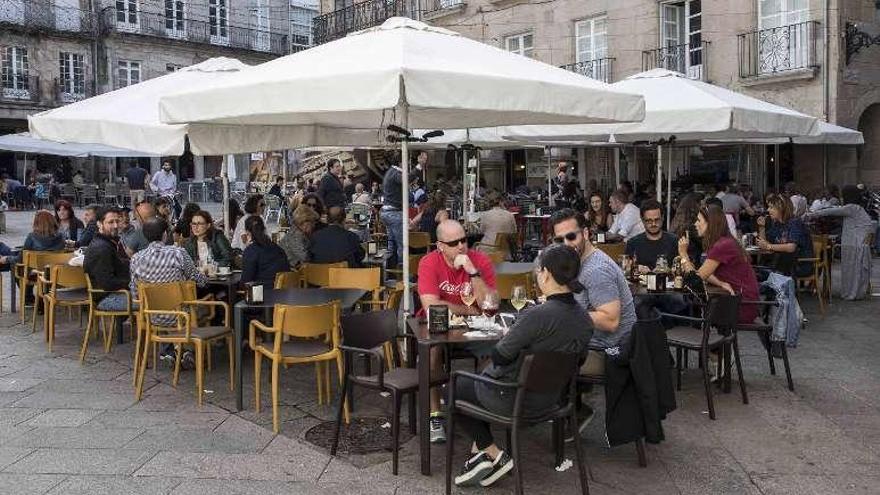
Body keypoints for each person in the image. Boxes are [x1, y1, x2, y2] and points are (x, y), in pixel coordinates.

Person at [452, 244, 592, 488]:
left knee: (455, 385)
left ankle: (493, 453)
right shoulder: (584, 318)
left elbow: (500, 356)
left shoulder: (537, 315)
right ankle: (482, 455)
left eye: (539, 271)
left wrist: (513, 335)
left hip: (515, 398)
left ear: (546, 274)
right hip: (553, 400)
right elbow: (578, 361)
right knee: (474, 382)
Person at [417, 220, 498, 444]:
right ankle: (435, 414)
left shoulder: (479, 260)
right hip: (439, 325)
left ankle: (479, 413)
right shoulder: (429, 262)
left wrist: (473, 272)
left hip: (474, 328)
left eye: (464, 240)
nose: (461, 246)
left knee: (494, 354)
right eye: (454, 243)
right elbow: (432, 307)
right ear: (440, 245)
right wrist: (468, 310)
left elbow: (490, 304)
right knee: (431, 353)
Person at [550, 208, 636, 383]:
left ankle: (555, 407)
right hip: (591, 343)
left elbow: (611, 321)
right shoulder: (578, 261)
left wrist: (564, 312)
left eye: (571, 237)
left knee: (535, 359)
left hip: (608, 352)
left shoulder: (597, 270)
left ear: (586, 233)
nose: (566, 244)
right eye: (559, 240)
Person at [130, 216, 207, 364]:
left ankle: (170, 351)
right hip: (179, 316)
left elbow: (135, 292)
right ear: (165, 234)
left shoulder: (136, 259)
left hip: (151, 315)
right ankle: (187, 350)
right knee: (202, 307)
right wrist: (205, 277)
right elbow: (199, 280)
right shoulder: (178, 253)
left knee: (166, 306)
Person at [677, 204, 759, 323]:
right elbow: (706, 273)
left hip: (740, 306)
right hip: (741, 301)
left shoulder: (722, 245)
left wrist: (683, 254)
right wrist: (720, 283)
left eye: (699, 220)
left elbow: (695, 281)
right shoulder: (724, 242)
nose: (695, 224)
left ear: (711, 223)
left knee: (670, 314)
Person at [807, 185, 874, 300]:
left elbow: (832, 211)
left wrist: (811, 215)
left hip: (854, 243)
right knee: (854, 270)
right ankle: (855, 292)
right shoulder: (858, 208)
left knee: (850, 270)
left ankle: (850, 293)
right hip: (858, 242)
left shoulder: (852, 208)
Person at [83, 207, 132, 311]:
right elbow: (107, 283)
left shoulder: (109, 242)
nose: (115, 226)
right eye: (110, 222)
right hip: (106, 297)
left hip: (113, 293)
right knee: (149, 299)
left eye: (117, 221)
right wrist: (132, 283)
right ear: (99, 224)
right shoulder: (101, 248)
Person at [757, 194, 814, 277]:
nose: (768, 210)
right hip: (783, 264)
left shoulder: (794, 223)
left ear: (781, 208)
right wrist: (762, 227)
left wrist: (768, 246)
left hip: (800, 264)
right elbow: (765, 243)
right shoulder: (778, 224)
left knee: (764, 273)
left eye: (771, 207)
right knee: (759, 270)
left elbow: (791, 247)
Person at [380, 154, 418, 267]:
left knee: (391, 245)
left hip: (387, 212)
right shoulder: (396, 173)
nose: (408, 164)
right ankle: (405, 275)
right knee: (403, 245)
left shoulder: (390, 172)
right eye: (407, 161)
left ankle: (389, 273)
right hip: (394, 213)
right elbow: (407, 180)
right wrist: (419, 167)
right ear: (401, 162)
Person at [625, 199, 679, 271]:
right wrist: (636, 268)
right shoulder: (633, 243)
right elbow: (626, 268)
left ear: (663, 218)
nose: (653, 224)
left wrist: (669, 270)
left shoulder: (674, 241)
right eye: (649, 221)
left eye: (657, 220)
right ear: (642, 220)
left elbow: (682, 267)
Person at [241, 215, 290, 287]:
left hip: (263, 294)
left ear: (247, 232)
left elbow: (246, 280)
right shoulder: (278, 248)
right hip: (284, 292)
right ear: (264, 229)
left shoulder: (251, 251)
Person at [670, 193, 703, 263]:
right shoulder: (692, 224)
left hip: (677, 258)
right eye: (700, 204)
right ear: (695, 205)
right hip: (691, 259)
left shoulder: (677, 220)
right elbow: (702, 243)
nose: (702, 207)